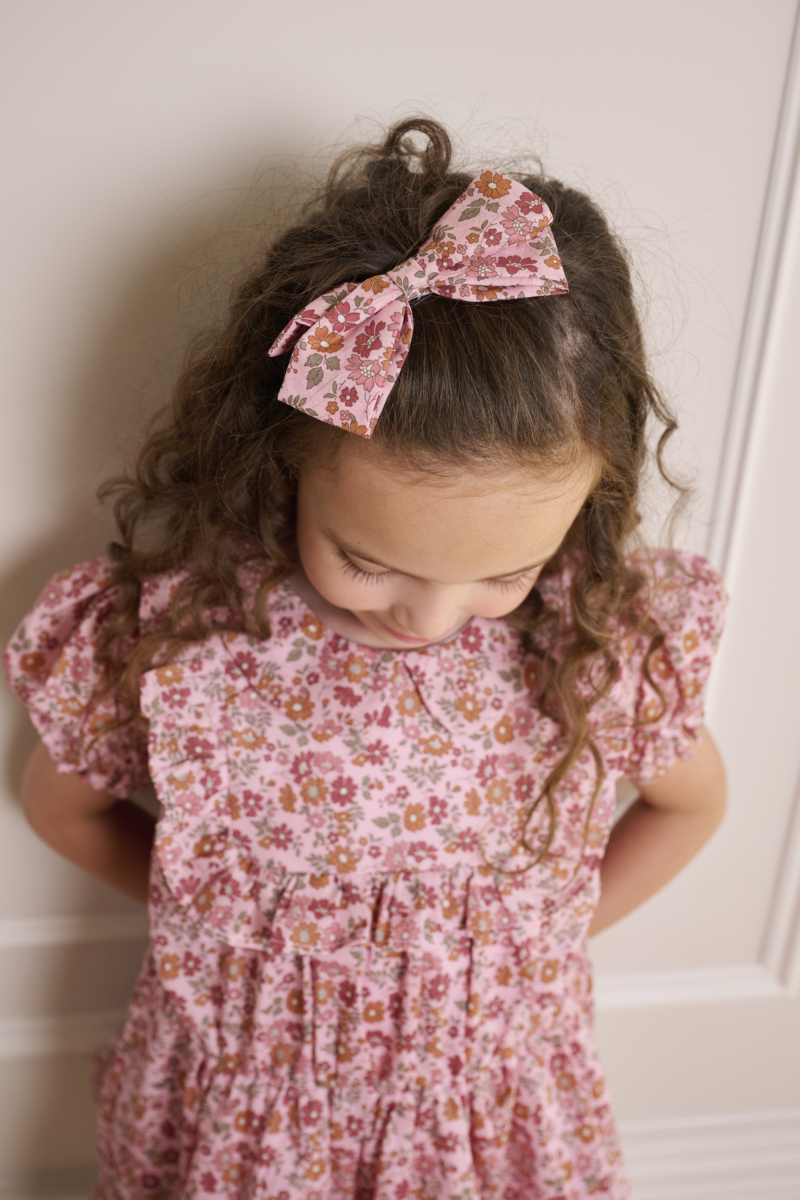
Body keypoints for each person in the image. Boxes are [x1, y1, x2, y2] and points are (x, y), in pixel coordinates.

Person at [4, 117, 728, 1200]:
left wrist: (536, 936)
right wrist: (220, 928)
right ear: (281, 456)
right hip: (244, 1124)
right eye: (366, 559)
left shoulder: (594, 642)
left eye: (500, 575)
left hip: (482, 1118)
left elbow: (689, 805)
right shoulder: (182, 636)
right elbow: (62, 809)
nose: (430, 617)